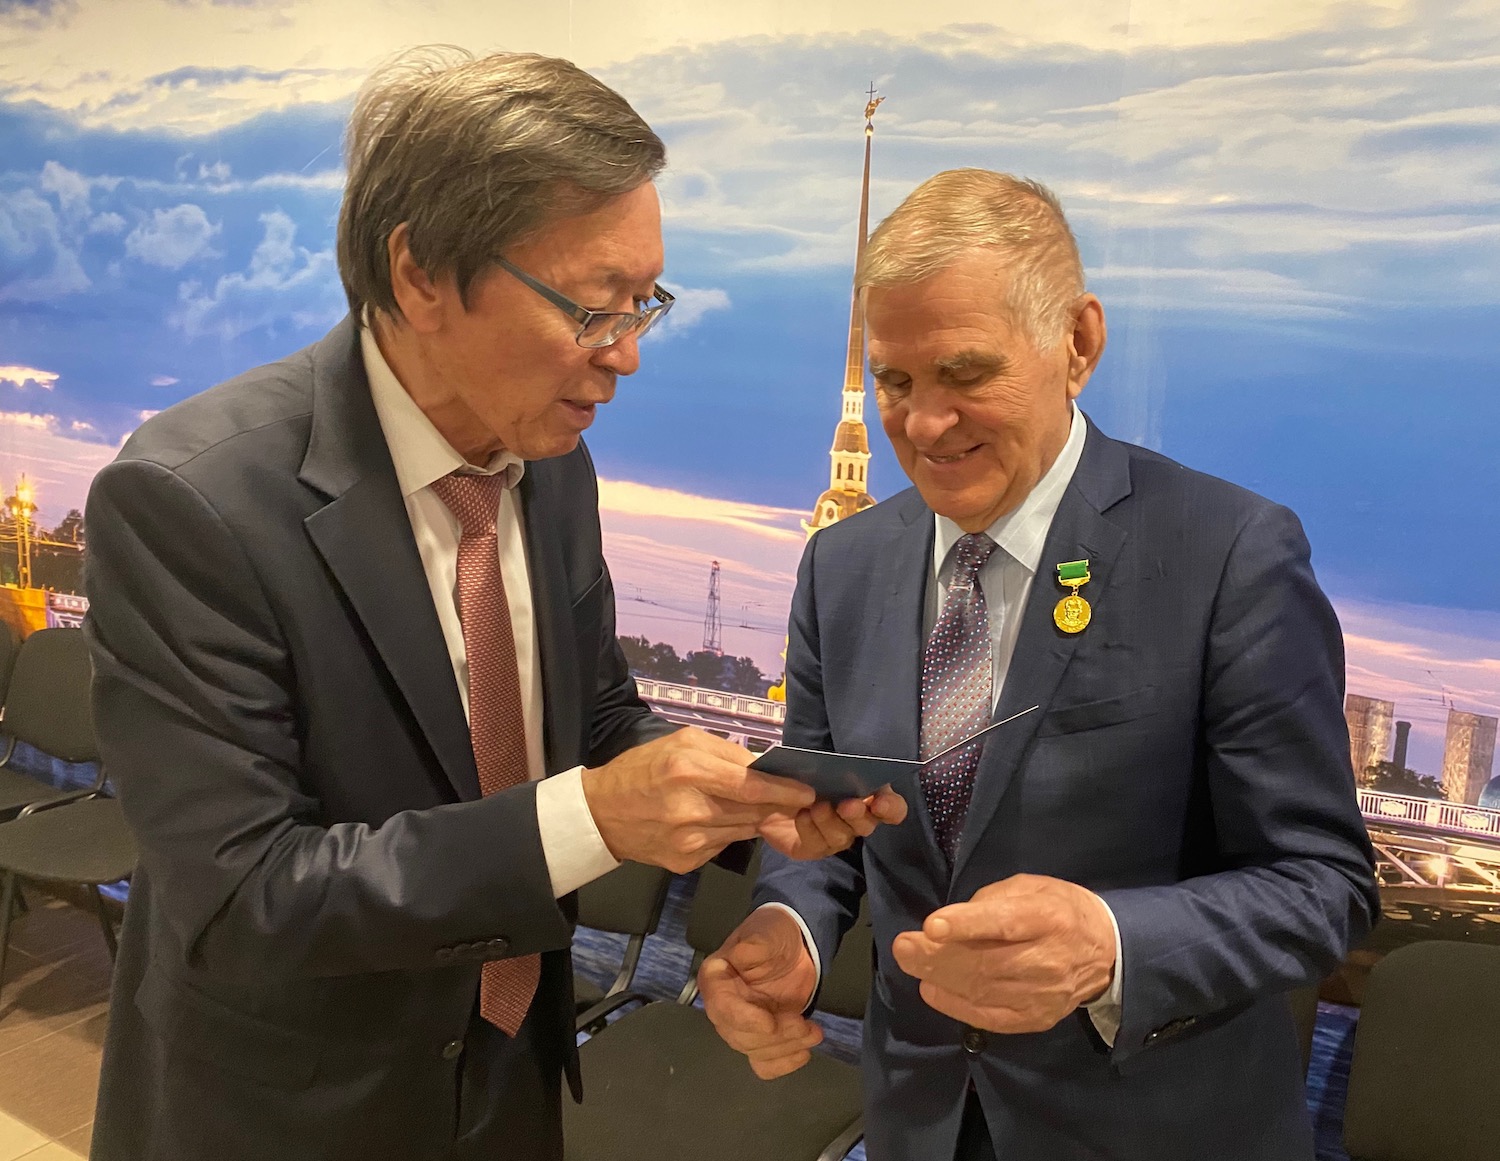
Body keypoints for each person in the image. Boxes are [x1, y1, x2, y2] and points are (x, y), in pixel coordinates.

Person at [82, 49, 902, 1161]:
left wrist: (745, 796)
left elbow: (595, 718)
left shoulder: (550, 465)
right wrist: (595, 818)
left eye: (645, 305)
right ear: (421, 275)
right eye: (593, 308)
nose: (627, 356)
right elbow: (242, 898)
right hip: (290, 1107)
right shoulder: (195, 503)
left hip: (514, 1073)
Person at [699, 169, 1379, 1160]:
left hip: (1157, 1130)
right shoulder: (841, 566)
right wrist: (787, 931)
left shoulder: (1227, 554)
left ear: (1079, 344)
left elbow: (1323, 886)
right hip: (918, 1119)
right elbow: (824, 827)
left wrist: (1110, 944)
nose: (923, 425)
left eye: (967, 374)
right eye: (896, 382)